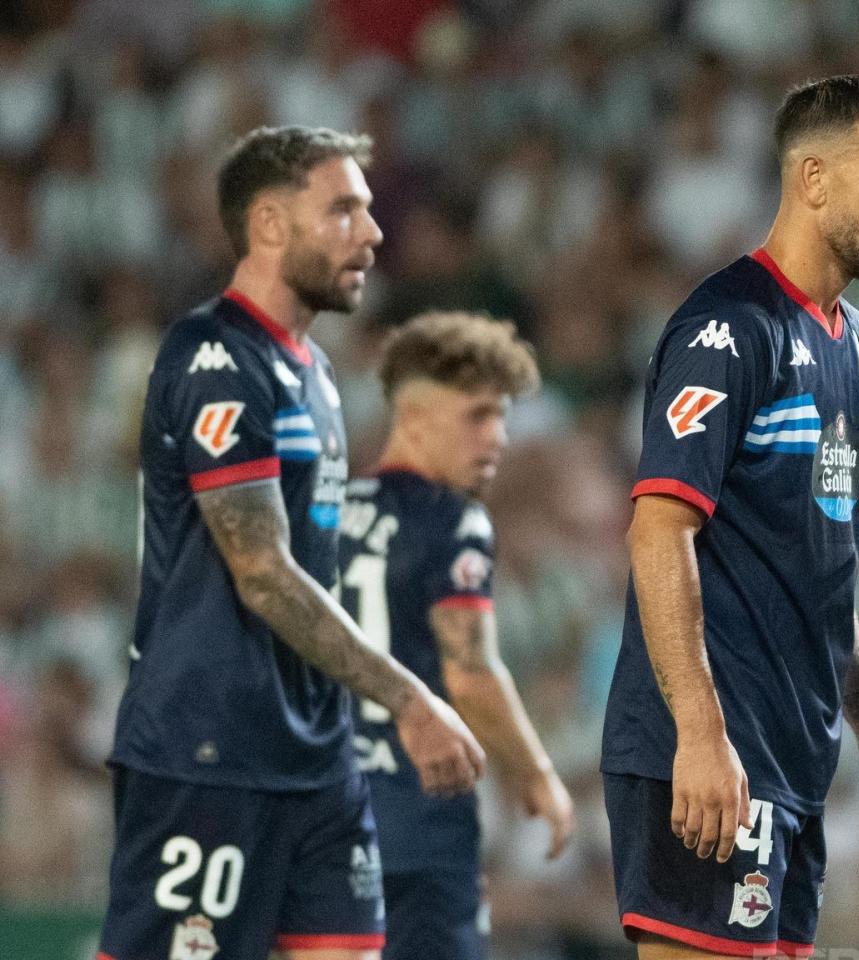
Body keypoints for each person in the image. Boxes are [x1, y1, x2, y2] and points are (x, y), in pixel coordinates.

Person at [601, 75, 859, 958]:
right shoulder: (729, 328)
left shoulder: (857, 345)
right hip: (710, 753)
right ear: (811, 179)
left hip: (794, 760)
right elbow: (658, 531)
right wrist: (700, 733)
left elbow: (821, 567)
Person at [100, 126, 485, 960]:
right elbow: (263, 575)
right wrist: (410, 699)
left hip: (315, 750)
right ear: (270, 224)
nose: (373, 233)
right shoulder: (214, 356)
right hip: (209, 746)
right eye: (344, 210)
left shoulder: (311, 370)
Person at [338, 311, 575, 960]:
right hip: (420, 821)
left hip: (323, 821)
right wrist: (536, 774)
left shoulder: (323, 518)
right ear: (413, 417)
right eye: (477, 416)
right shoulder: (454, 521)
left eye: (501, 416)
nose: (497, 437)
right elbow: (471, 675)